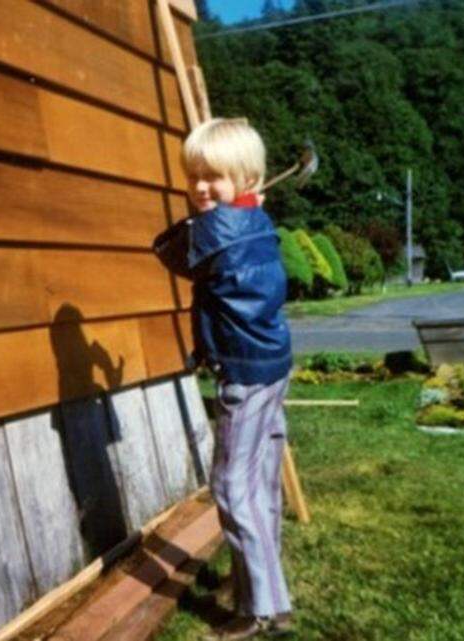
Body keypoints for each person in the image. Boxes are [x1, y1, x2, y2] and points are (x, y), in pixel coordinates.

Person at [174, 117, 296, 640]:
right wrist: (241, 201)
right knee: (261, 481)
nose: (200, 187)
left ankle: (262, 606)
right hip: (274, 366)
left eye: (213, 177)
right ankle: (256, 583)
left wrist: (214, 215)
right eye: (193, 175)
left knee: (230, 486)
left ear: (245, 179)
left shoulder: (217, 229)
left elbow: (170, 252)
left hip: (245, 374)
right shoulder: (254, 220)